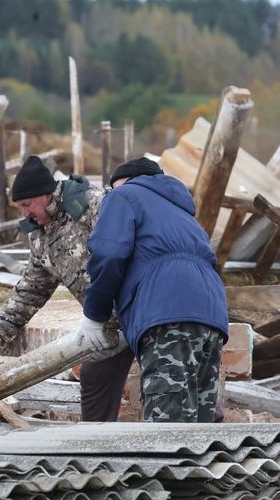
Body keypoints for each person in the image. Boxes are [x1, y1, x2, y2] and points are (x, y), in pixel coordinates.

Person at [0, 154, 134, 423]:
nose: (24, 214)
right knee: (94, 376)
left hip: (141, 309)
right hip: (107, 325)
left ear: (47, 194)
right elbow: (30, 290)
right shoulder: (40, 237)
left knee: (164, 377)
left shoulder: (93, 205)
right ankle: (96, 439)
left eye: (27, 205)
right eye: (19, 208)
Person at [79, 157, 229, 423]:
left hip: (168, 312)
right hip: (212, 315)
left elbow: (109, 253)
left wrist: (95, 315)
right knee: (200, 429)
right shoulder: (182, 213)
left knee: (166, 430)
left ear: (125, 183)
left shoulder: (123, 195)